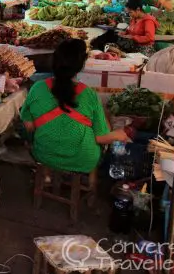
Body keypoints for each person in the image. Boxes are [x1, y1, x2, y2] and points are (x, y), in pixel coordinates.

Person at [21, 39, 131, 173]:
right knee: (106, 126)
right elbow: (101, 137)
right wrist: (120, 135)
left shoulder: (37, 88)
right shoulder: (89, 94)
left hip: (45, 156)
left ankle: (48, 176)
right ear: (81, 65)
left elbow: (29, 126)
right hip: (82, 161)